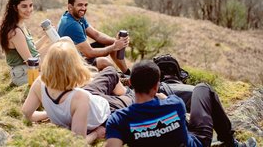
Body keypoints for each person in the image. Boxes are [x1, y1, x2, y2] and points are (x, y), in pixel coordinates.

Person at [105, 60, 257, 147]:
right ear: (157, 85)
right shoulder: (174, 104)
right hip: (195, 143)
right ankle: (231, 143)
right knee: (203, 88)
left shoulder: (118, 119)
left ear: (130, 83)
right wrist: (164, 99)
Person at [22, 37, 135, 144]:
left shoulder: (39, 83)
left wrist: (50, 113)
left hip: (89, 98)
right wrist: (96, 133)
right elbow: (77, 142)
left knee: (110, 72)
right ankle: (129, 92)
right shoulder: (79, 98)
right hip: (106, 112)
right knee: (131, 98)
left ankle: (122, 89)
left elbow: (27, 114)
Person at [57, 0, 131, 76]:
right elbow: (89, 53)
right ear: (70, 7)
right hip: (71, 63)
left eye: (85, 5)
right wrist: (114, 47)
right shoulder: (72, 25)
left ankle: (127, 74)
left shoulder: (76, 16)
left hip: (78, 54)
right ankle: (118, 80)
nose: (84, 8)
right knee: (104, 62)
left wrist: (116, 41)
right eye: (80, 5)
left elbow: (97, 35)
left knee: (110, 43)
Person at [0, 0, 50, 86]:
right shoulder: (15, 32)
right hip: (23, 74)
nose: (29, 9)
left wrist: (47, 37)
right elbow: (31, 63)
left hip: (28, 69)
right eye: (24, 6)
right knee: (62, 46)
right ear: (15, 7)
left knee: (63, 43)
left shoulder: (21, 25)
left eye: (30, 5)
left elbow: (32, 49)